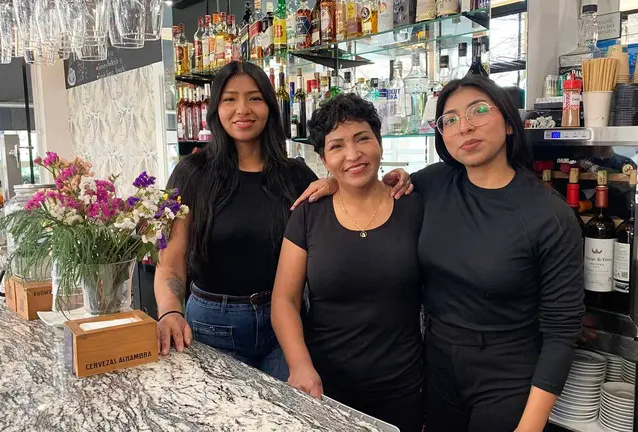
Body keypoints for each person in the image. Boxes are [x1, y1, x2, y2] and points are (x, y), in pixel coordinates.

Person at [293, 75, 584, 431]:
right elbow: (373, 184)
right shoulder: (433, 183)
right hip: (437, 369)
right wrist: (333, 182)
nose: (465, 127)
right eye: (450, 119)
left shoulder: (549, 216)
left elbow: (561, 332)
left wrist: (531, 425)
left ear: (509, 122)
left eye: (478, 111)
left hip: (506, 378)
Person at [154, 61, 412, 381]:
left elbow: (348, 193)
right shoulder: (190, 173)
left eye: (255, 98)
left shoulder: (295, 174)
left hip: (285, 329)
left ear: (270, 107)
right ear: (215, 108)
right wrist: (169, 310)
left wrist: (345, 182)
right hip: (213, 324)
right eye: (230, 99)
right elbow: (169, 263)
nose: (243, 109)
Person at [271, 94, 424, 432]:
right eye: (337, 146)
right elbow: (284, 299)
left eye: (362, 139)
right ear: (324, 159)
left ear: (380, 143)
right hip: (325, 384)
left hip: (403, 384)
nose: (353, 155)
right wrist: (299, 365)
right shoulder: (309, 213)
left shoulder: (413, 206)